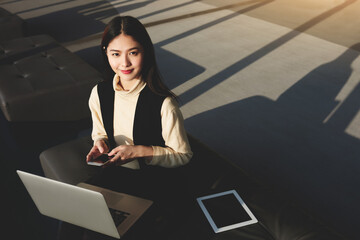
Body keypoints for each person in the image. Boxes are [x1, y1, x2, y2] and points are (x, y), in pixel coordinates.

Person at [84, 16, 193, 237]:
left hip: (154, 181)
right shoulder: (99, 92)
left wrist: (139, 151)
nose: (124, 63)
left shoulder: (164, 103)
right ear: (106, 52)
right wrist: (100, 143)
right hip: (114, 174)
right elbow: (99, 130)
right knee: (78, 220)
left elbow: (183, 155)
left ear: (146, 52)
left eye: (133, 53)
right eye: (115, 54)